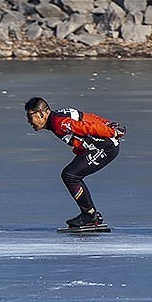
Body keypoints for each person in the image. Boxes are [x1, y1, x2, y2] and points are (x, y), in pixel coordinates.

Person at [25, 97, 124, 229]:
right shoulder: (59, 115)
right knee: (71, 175)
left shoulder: (59, 123)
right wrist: (108, 123)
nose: (28, 121)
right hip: (100, 146)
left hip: (105, 148)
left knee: (70, 175)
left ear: (41, 114)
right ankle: (89, 213)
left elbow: (86, 127)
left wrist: (111, 131)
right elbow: (88, 117)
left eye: (30, 116)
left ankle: (90, 214)